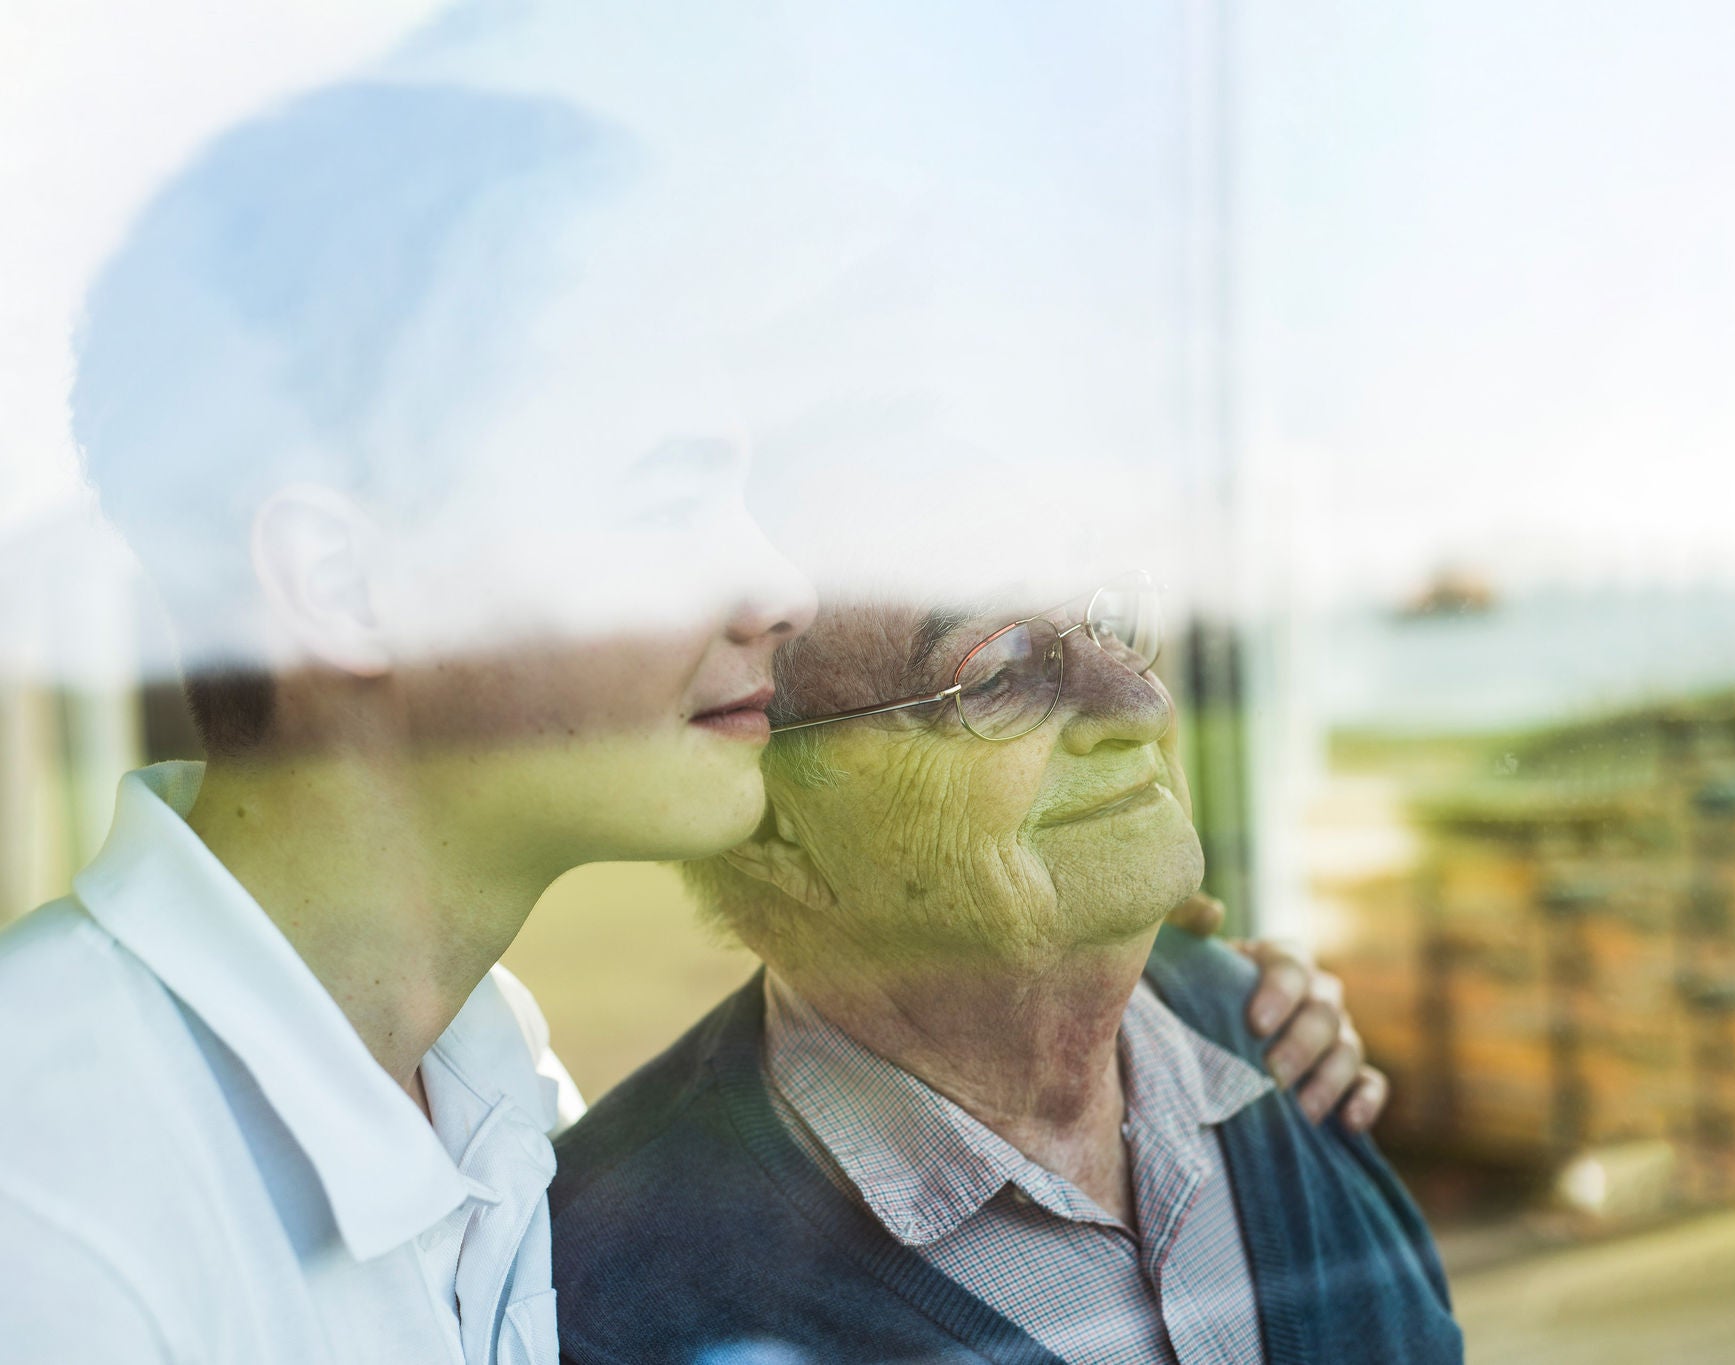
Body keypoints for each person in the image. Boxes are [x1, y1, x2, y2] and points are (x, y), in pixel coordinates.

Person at [0, 79, 1382, 1365]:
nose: (777, 586)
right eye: (665, 496)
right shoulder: (55, 1202)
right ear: (348, 588)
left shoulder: (488, 1093)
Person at [550, 578, 1464, 1365]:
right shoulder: (611, 1293)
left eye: (1110, 623)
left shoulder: (1269, 1036)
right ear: (771, 824)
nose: (1135, 706)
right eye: (995, 674)